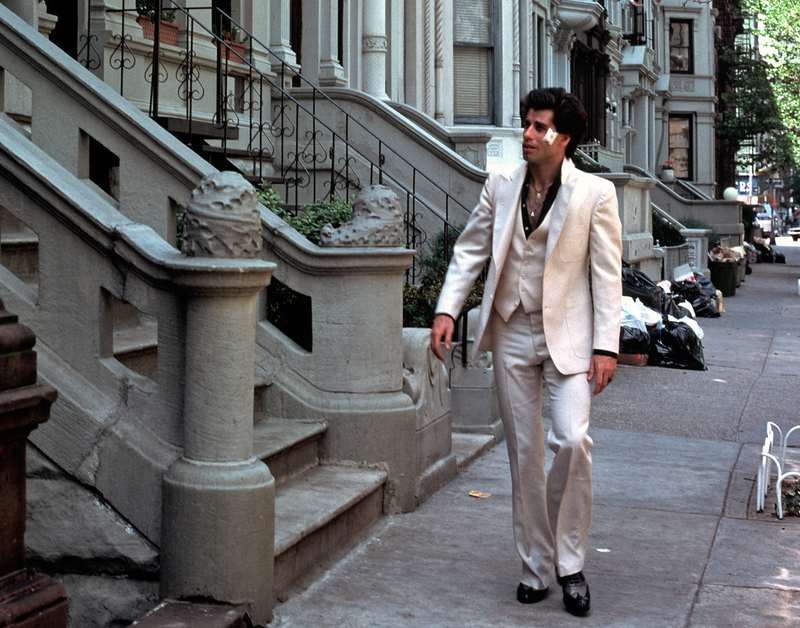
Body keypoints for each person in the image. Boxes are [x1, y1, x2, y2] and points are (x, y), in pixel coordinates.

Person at [430, 87, 622, 616]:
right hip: (512, 330)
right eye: (527, 125)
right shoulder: (500, 186)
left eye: (540, 127)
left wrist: (607, 345)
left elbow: (606, 277)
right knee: (524, 455)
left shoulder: (595, 194)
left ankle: (571, 562)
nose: (529, 134)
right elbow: (470, 251)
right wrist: (448, 309)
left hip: (572, 339)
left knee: (572, 441)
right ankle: (536, 568)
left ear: (564, 137)